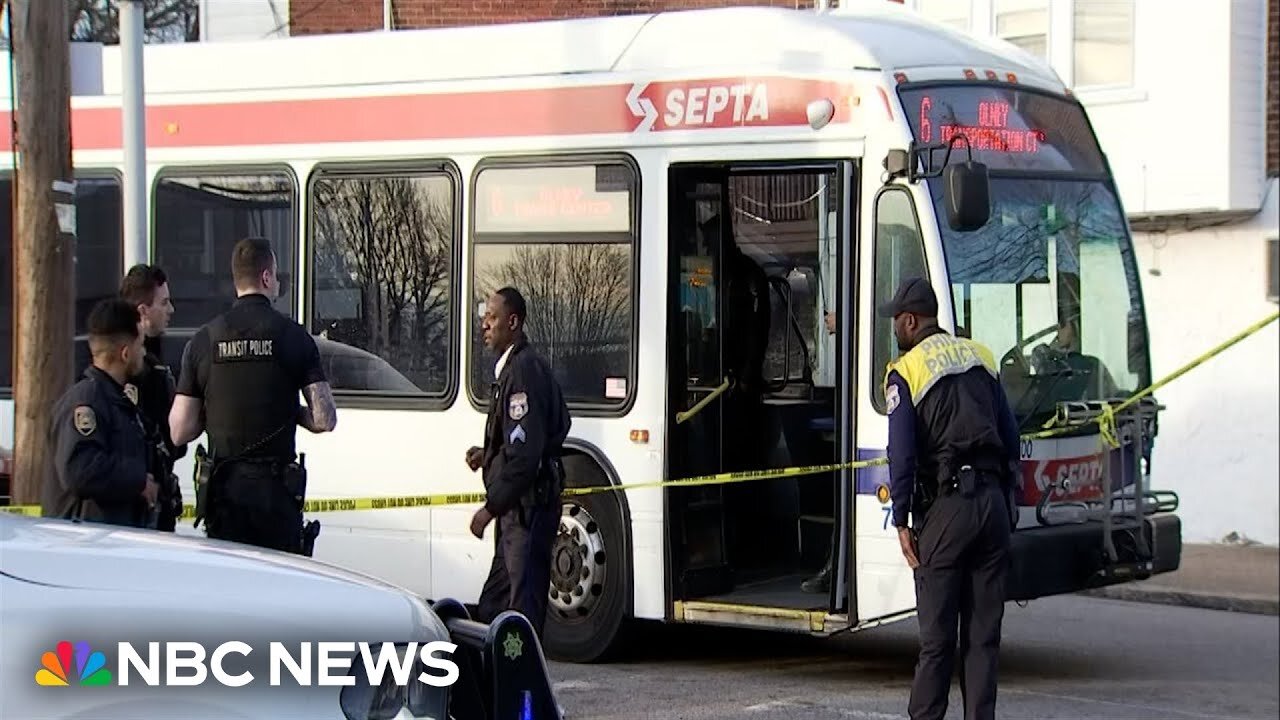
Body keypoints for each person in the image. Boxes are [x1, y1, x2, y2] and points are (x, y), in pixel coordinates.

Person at [879, 277, 1020, 720]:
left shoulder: (907, 370)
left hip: (947, 510)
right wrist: (1007, 499)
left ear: (910, 320)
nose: (895, 331)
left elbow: (901, 453)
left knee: (937, 641)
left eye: (896, 323)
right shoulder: (980, 356)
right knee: (983, 640)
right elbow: (1012, 438)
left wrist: (900, 518)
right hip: (992, 507)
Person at [169, 237, 337, 554]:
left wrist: (216, 412)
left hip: (224, 499)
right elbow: (324, 419)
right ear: (266, 278)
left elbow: (179, 430)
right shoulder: (294, 337)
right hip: (277, 502)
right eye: (276, 276)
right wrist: (290, 411)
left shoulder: (203, 341)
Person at [466, 287, 570, 636]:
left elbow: (525, 457)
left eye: (492, 318)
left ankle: (523, 690)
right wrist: (489, 454)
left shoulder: (523, 371)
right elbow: (532, 434)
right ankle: (495, 684)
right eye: (484, 317)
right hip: (516, 514)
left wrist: (488, 510)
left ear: (513, 322)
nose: (485, 325)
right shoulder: (515, 367)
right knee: (493, 608)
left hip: (526, 512)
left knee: (521, 616)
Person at [43, 299, 160, 526]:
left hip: (109, 543)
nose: (144, 353)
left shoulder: (117, 402)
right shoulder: (86, 403)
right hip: (86, 547)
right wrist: (139, 482)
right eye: (141, 345)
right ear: (125, 353)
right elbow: (80, 470)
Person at [120, 263, 185, 531]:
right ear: (143, 312)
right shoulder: (137, 372)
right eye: (164, 302)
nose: (171, 310)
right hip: (139, 510)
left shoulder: (156, 364)